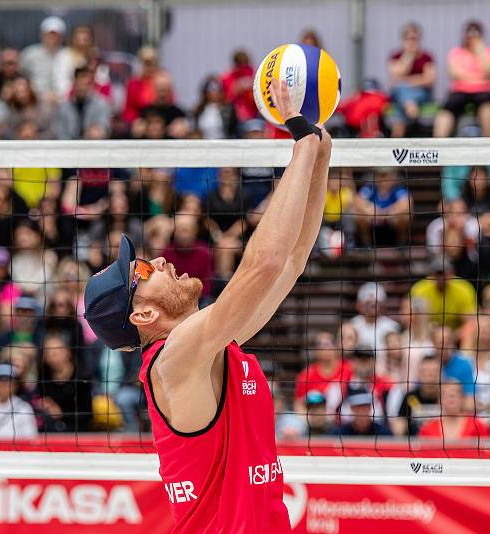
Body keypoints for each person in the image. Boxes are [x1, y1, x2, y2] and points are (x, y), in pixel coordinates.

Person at [82, 79, 330, 532]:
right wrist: (299, 140)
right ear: (143, 316)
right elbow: (262, 264)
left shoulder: (213, 345)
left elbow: (290, 261)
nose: (159, 259)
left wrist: (318, 153)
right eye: (142, 270)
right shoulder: (173, 360)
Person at [434, 20, 490, 138]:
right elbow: (454, 74)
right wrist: (479, 77)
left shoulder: (489, 52)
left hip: (482, 91)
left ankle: (488, 140)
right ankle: (439, 142)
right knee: (446, 111)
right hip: (459, 91)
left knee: (488, 108)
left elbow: (489, 72)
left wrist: (479, 50)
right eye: (469, 33)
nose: (472, 37)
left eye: (476, 33)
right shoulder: (456, 52)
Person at [387, 22, 435, 138]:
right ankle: (412, 114)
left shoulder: (426, 57)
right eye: (408, 39)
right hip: (401, 93)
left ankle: (397, 138)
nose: (412, 42)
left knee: (403, 91)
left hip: (421, 93)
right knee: (403, 90)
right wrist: (408, 56)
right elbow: (395, 76)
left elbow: (430, 79)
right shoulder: (396, 56)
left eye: (414, 39)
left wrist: (407, 81)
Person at [293, 330, 351, 415]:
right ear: (315, 350)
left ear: (335, 347)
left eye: (328, 344)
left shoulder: (348, 368)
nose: (325, 348)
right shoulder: (307, 374)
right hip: (316, 418)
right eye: (320, 345)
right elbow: (298, 404)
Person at [409, 257, 477, 329]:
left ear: (451, 273)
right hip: (429, 331)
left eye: (444, 274)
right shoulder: (420, 289)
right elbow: (414, 319)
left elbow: (470, 321)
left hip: (456, 332)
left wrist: (454, 335)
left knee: (471, 328)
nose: (441, 278)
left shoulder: (464, 288)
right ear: (431, 275)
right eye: (438, 274)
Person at [354, 167, 411, 245]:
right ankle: (366, 243)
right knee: (359, 216)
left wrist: (387, 213)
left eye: (387, 176)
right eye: (381, 176)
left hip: (391, 219)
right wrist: (374, 211)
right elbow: (358, 201)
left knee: (405, 216)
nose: (384, 180)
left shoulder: (398, 189)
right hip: (373, 218)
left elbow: (406, 203)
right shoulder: (370, 188)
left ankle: (402, 243)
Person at [418, 380, 490, 440]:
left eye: (455, 393)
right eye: (445, 394)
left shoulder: (478, 426)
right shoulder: (428, 429)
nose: (451, 398)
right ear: (439, 400)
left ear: (462, 398)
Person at [20, 16, 67, 103]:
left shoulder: (67, 54)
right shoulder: (30, 54)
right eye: (49, 34)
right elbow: (22, 75)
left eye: (55, 35)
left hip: (63, 101)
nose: (52, 38)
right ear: (42, 35)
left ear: (61, 37)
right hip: (34, 101)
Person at [55, 67, 112, 140]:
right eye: (79, 84)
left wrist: (98, 131)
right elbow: (60, 133)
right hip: (69, 148)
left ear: (91, 85)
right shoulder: (64, 107)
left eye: (85, 84)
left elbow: (105, 127)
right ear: (74, 84)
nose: (82, 88)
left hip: (93, 147)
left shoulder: (102, 104)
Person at [393, 356, 442, 436]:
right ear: (419, 373)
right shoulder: (411, 397)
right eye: (426, 371)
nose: (430, 375)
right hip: (415, 443)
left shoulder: (445, 396)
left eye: (434, 371)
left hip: (440, 444)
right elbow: (399, 424)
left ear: (440, 374)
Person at [349, 282, 400, 354]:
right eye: (368, 302)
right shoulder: (352, 325)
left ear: (383, 304)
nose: (372, 306)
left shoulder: (393, 327)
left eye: (376, 303)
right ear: (358, 304)